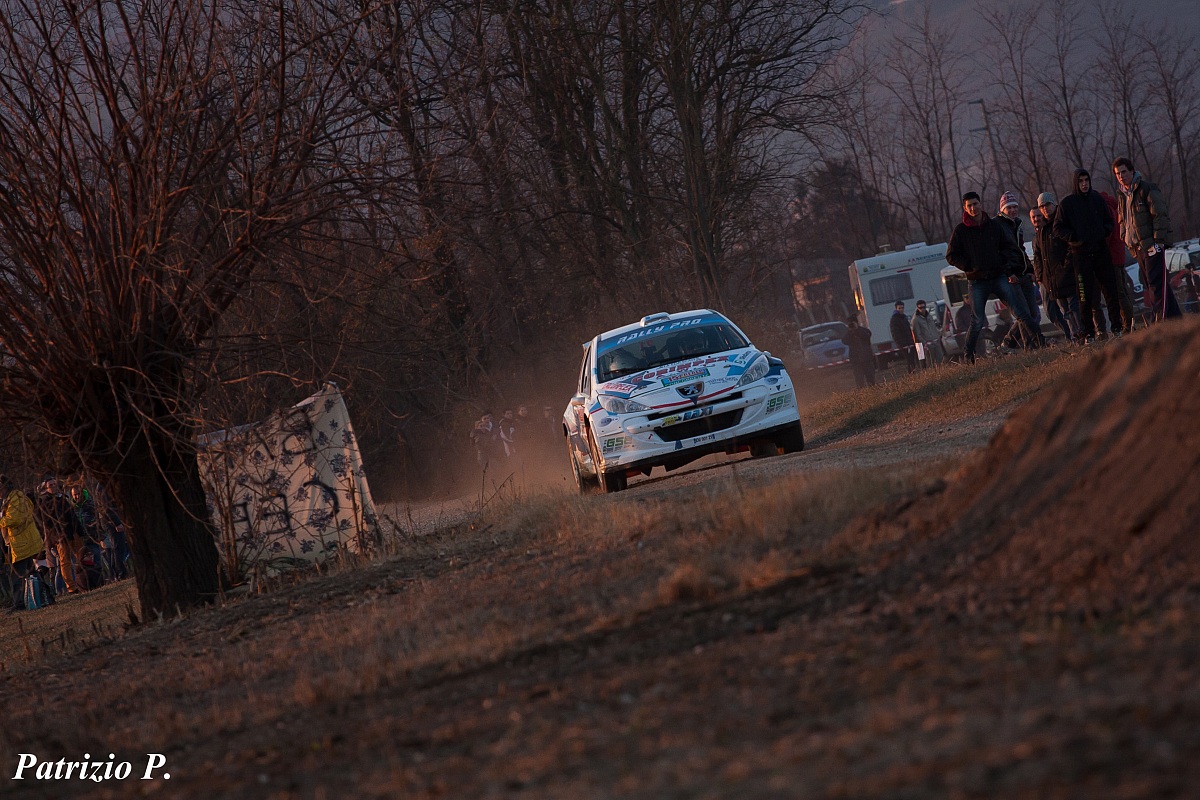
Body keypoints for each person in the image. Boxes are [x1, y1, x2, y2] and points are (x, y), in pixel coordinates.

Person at [946, 191, 1039, 363]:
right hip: (977, 280)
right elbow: (951, 256)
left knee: (1020, 311)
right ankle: (968, 356)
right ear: (965, 209)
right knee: (977, 320)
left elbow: (1006, 247)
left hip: (998, 276)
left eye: (975, 204)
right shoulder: (961, 231)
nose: (973, 208)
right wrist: (969, 266)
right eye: (969, 206)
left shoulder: (993, 226)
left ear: (980, 204)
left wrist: (1005, 267)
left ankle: (1040, 343)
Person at [1053, 168, 1128, 338]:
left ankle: (1116, 327)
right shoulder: (1067, 204)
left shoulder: (1097, 199)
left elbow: (1110, 220)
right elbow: (1058, 228)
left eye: (1086, 180)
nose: (1084, 184)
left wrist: (1104, 231)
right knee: (1084, 295)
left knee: (1110, 291)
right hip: (1080, 254)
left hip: (1101, 250)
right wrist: (1073, 238)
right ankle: (1089, 333)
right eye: (1080, 181)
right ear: (1076, 183)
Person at [1113, 157, 1182, 322]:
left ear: (1131, 171)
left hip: (1152, 246)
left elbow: (1160, 215)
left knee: (1155, 284)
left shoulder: (1146, 188)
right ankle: (1175, 320)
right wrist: (1126, 239)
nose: (1121, 176)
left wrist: (1158, 242)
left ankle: (1159, 319)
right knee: (1153, 284)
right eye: (1117, 173)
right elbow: (1123, 221)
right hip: (1137, 248)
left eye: (1124, 171)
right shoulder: (1123, 195)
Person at [995, 191, 1044, 348]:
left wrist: (1030, 270)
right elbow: (999, 254)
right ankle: (1031, 346)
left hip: (1024, 274)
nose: (1013, 211)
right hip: (1013, 277)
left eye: (1015, 207)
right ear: (1002, 209)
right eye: (1009, 208)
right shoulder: (999, 227)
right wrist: (1009, 273)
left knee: (1033, 313)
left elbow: (1021, 249)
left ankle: (1009, 342)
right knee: (1024, 314)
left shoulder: (1017, 225)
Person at [1032, 192, 1082, 341]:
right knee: (1064, 310)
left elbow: (1072, 246)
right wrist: (1041, 276)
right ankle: (1074, 336)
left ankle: (1082, 333)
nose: (1045, 209)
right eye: (1042, 206)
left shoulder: (1063, 222)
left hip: (1067, 275)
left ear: (1054, 204)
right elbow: (1038, 256)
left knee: (1074, 307)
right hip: (1052, 279)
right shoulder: (1042, 231)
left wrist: (1065, 266)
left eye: (1047, 205)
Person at [34, 477, 88, 594]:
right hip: (60, 536)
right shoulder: (44, 502)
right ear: (46, 488)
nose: (54, 487)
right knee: (65, 562)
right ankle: (71, 587)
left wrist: (79, 531)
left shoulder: (62, 497)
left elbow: (72, 515)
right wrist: (57, 536)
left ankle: (85, 582)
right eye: (51, 485)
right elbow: (48, 522)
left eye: (54, 484)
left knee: (82, 556)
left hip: (72, 533)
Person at [0, 476, 45, 611]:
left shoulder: (16, 498)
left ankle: (19, 603)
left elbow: (14, 519)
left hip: (22, 543)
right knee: (32, 572)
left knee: (17, 575)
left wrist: (1, 520)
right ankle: (43, 596)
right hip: (22, 542)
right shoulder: (12, 498)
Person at [1100, 189, 1138, 328]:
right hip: (1119, 256)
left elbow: (1106, 237)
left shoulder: (1106, 211)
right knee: (1123, 291)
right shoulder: (1113, 208)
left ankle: (1128, 323)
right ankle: (1130, 321)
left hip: (1112, 258)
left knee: (1118, 293)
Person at [839, 316, 876, 387]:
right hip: (856, 361)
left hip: (866, 359)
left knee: (871, 380)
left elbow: (866, 336)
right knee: (859, 381)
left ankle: (873, 392)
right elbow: (844, 341)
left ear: (857, 323)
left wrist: (857, 330)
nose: (851, 325)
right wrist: (850, 331)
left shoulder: (864, 331)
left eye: (852, 323)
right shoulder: (849, 334)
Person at [910, 300, 944, 366]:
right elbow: (917, 334)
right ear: (917, 308)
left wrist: (938, 335)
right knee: (930, 362)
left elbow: (934, 327)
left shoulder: (929, 316)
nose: (922, 309)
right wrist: (924, 343)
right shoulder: (915, 319)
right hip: (927, 344)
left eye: (924, 307)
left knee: (941, 360)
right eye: (920, 308)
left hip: (936, 341)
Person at [889, 300, 917, 373]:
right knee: (909, 360)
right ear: (896, 309)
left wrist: (911, 340)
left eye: (902, 308)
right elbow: (895, 333)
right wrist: (902, 344)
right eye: (899, 308)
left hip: (909, 343)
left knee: (912, 360)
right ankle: (911, 374)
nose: (901, 309)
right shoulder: (894, 319)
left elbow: (908, 330)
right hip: (904, 344)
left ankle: (913, 373)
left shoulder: (904, 318)